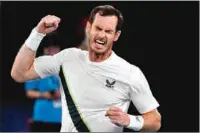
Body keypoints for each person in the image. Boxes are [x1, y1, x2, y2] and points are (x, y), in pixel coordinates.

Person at [11, 5, 161, 132]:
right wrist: (37, 34)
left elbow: (155, 121)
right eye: (98, 28)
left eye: (108, 31)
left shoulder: (130, 73)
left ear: (116, 35)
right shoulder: (67, 58)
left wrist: (130, 120)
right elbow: (19, 73)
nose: (101, 35)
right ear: (89, 28)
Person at [24, 32, 62, 132]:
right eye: (49, 49)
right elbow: (29, 92)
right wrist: (45, 94)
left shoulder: (65, 66)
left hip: (62, 118)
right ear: (44, 49)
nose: (52, 52)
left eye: (55, 49)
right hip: (42, 117)